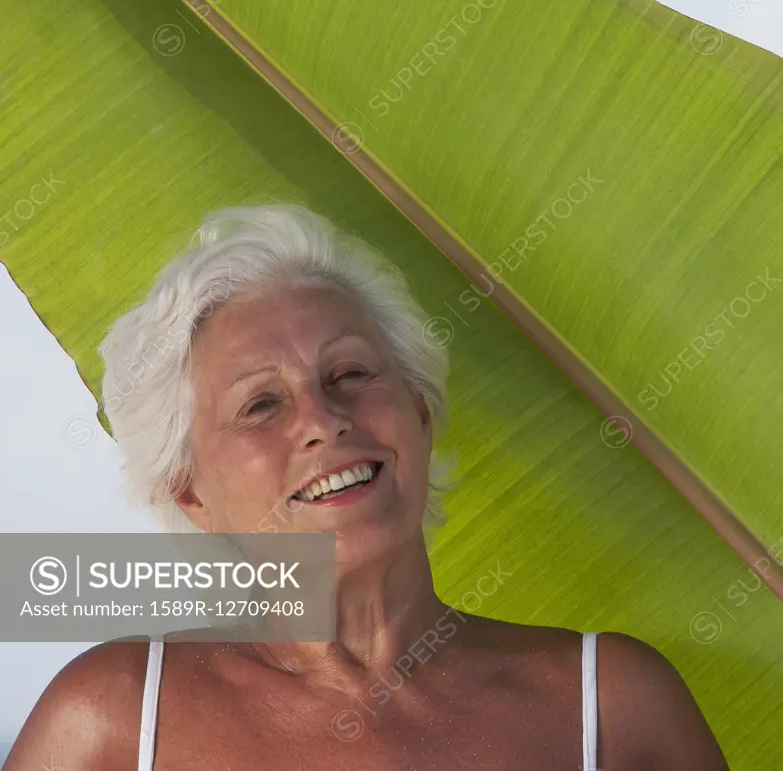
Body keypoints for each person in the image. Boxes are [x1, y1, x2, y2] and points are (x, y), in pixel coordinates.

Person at [5, 203, 729, 770]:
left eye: (350, 374)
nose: (322, 420)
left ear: (417, 411)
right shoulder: (118, 719)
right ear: (189, 490)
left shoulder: (610, 708)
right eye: (261, 405)